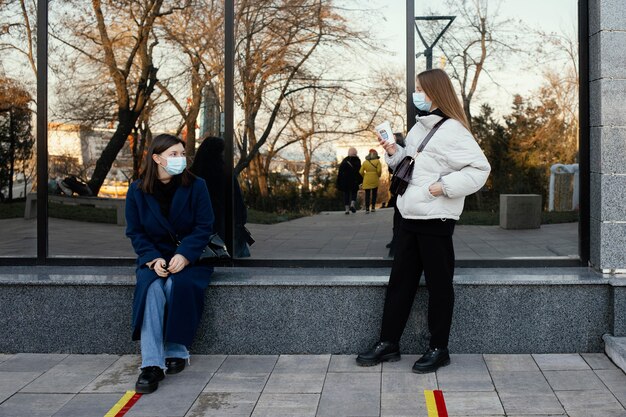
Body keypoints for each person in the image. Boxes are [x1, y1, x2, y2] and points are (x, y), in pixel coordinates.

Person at [356, 68, 490, 373]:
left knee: (439, 286)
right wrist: (393, 151)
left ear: (435, 92)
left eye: (420, 89)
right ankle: (388, 342)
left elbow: (480, 170)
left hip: (436, 220)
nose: (416, 94)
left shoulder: (455, 130)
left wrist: (443, 187)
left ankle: (438, 348)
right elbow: (412, 166)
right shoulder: (420, 128)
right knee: (399, 283)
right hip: (409, 216)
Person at [125, 134, 214, 394]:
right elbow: (135, 232)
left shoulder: (197, 186)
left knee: (176, 284)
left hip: (191, 257)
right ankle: (151, 364)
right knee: (153, 288)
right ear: (157, 158)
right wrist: (152, 259)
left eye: (182, 153)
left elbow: (204, 226)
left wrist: (185, 254)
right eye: (173, 154)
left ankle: (176, 349)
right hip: (153, 257)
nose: (180, 159)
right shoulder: (137, 190)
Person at [190, 136, 253, 257]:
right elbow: (237, 202)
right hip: (225, 224)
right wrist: (240, 221)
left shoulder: (193, 174)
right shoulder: (226, 173)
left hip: (201, 227)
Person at [336, 147, 362, 214]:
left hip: (345, 181)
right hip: (354, 180)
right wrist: (360, 181)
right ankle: (352, 204)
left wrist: (339, 181)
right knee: (354, 192)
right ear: (355, 153)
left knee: (346, 194)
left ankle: (347, 210)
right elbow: (359, 171)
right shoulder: (357, 160)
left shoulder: (344, 160)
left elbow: (340, 172)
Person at [359, 148, 382, 213]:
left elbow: (360, 171)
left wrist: (365, 176)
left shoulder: (365, 162)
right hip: (375, 178)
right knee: (374, 193)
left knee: (367, 194)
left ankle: (367, 209)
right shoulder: (377, 161)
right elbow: (379, 171)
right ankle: (373, 208)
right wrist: (378, 175)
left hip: (367, 179)